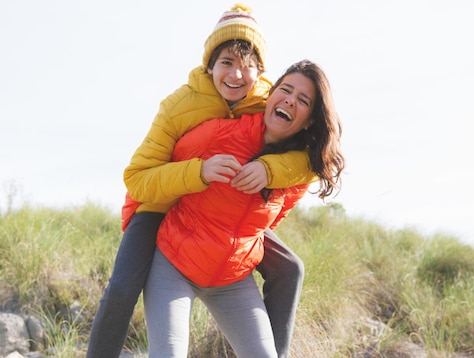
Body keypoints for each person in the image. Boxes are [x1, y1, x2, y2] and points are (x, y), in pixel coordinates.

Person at [86, 4, 313, 357]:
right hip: (161, 204)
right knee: (121, 288)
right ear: (209, 65)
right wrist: (198, 171)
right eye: (226, 63)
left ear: (261, 72)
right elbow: (138, 178)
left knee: (290, 267)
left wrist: (269, 172)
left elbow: (310, 156)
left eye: (248, 66)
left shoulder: (268, 100)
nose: (237, 75)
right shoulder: (180, 105)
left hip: (226, 217)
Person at [143, 59, 344, 357]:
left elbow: (271, 222)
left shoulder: (299, 172)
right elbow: (157, 173)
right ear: (271, 94)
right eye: (286, 90)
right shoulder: (219, 134)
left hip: (232, 280)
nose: (290, 100)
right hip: (175, 265)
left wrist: (269, 171)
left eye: (303, 100)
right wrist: (200, 171)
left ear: (311, 120)